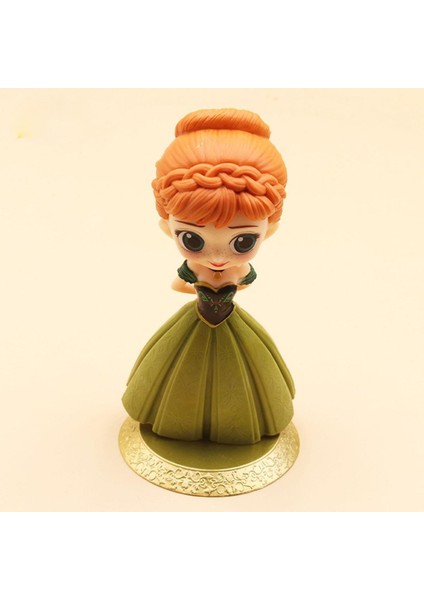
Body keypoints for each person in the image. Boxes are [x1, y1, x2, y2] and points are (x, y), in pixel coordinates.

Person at [122, 108, 295, 445]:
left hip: (231, 324)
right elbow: (182, 284)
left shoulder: (238, 270)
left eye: (242, 241)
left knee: (243, 377)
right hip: (197, 322)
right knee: (177, 374)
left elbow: (236, 281)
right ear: (167, 228)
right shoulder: (204, 270)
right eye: (193, 239)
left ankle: (238, 424)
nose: (217, 258)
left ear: (269, 230)